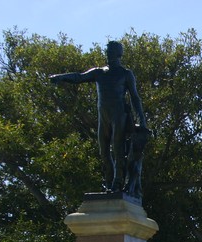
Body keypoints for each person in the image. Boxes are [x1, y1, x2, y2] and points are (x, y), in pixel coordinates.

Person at [50, 41, 149, 194]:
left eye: (110, 51)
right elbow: (79, 77)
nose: (107, 53)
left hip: (119, 115)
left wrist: (141, 119)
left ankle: (117, 182)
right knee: (104, 151)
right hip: (104, 115)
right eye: (107, 51)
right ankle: (109, 182)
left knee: (118, 150)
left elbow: (135, 98)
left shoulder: (125, 73)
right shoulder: (99, 72)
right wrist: (60, 77)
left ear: (118, 53)